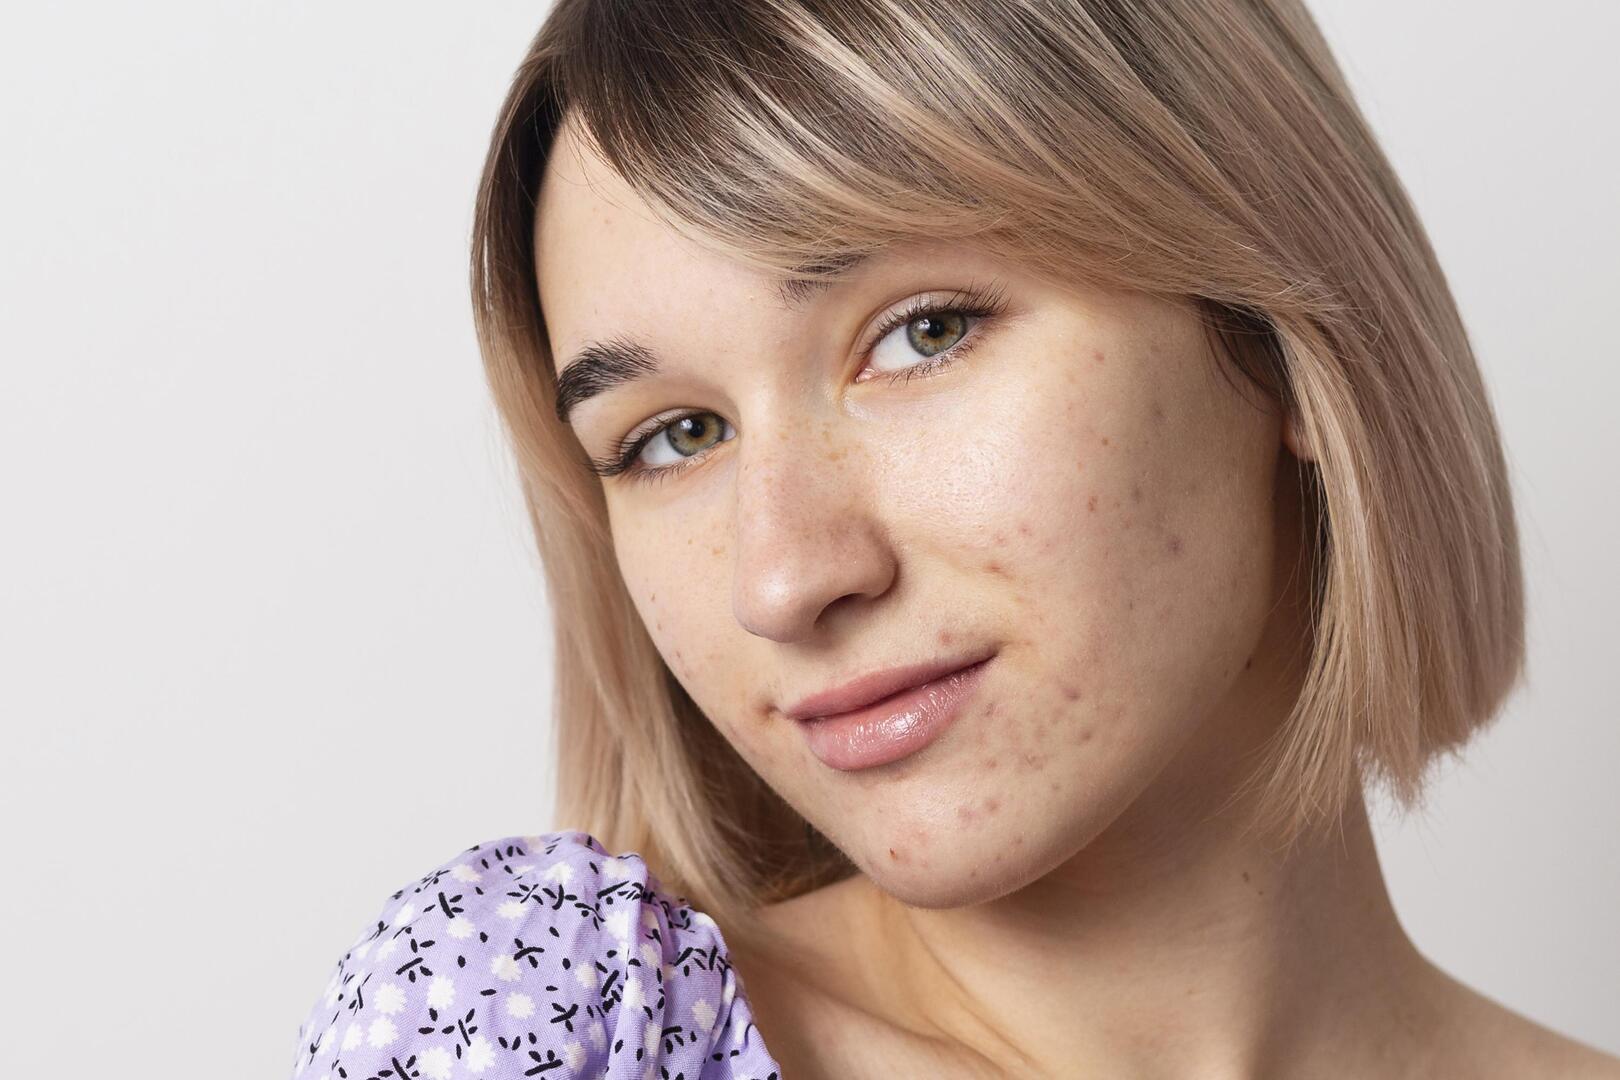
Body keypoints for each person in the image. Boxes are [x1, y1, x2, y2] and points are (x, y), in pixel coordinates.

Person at [290, 1, 1620, 1076]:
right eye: (675, 437)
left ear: (1277, 337)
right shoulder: (543, 1032)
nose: (782, 578)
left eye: (922, 333)